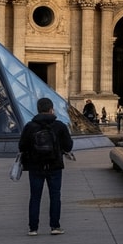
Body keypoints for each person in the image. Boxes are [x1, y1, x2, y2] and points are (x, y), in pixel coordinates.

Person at [18, 97, 74, 236]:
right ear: (51, 109)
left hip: (35, 166)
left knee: (35, 196)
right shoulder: (60, 126)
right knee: (55, 196)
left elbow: (22, 146)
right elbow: (68, 146)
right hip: (55, 166)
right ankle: (55, 226)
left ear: (37, 109)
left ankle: (33, 228)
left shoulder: (30, 126)